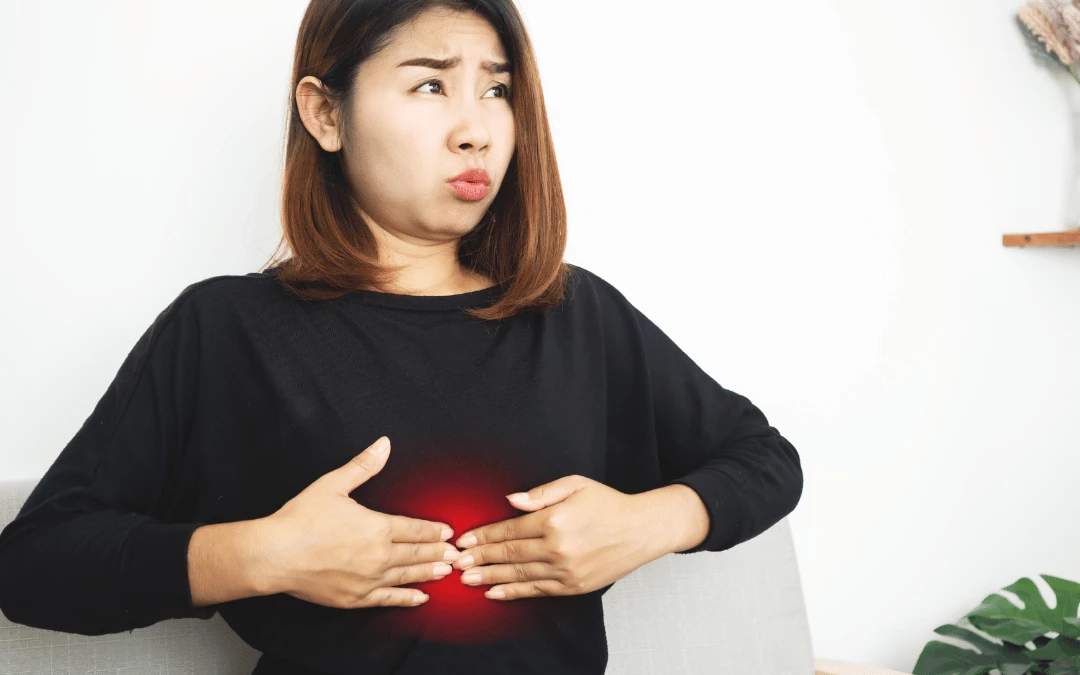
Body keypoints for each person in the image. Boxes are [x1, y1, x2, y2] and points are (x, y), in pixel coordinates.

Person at [0, 1, 804, 673]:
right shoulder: (226, 328)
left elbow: (765, 459)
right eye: (430, 85)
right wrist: (262, 555)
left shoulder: (574, 312)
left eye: (497, 91)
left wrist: (650, 521)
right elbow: (33, 566)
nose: (476, 130)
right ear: (325, 113)